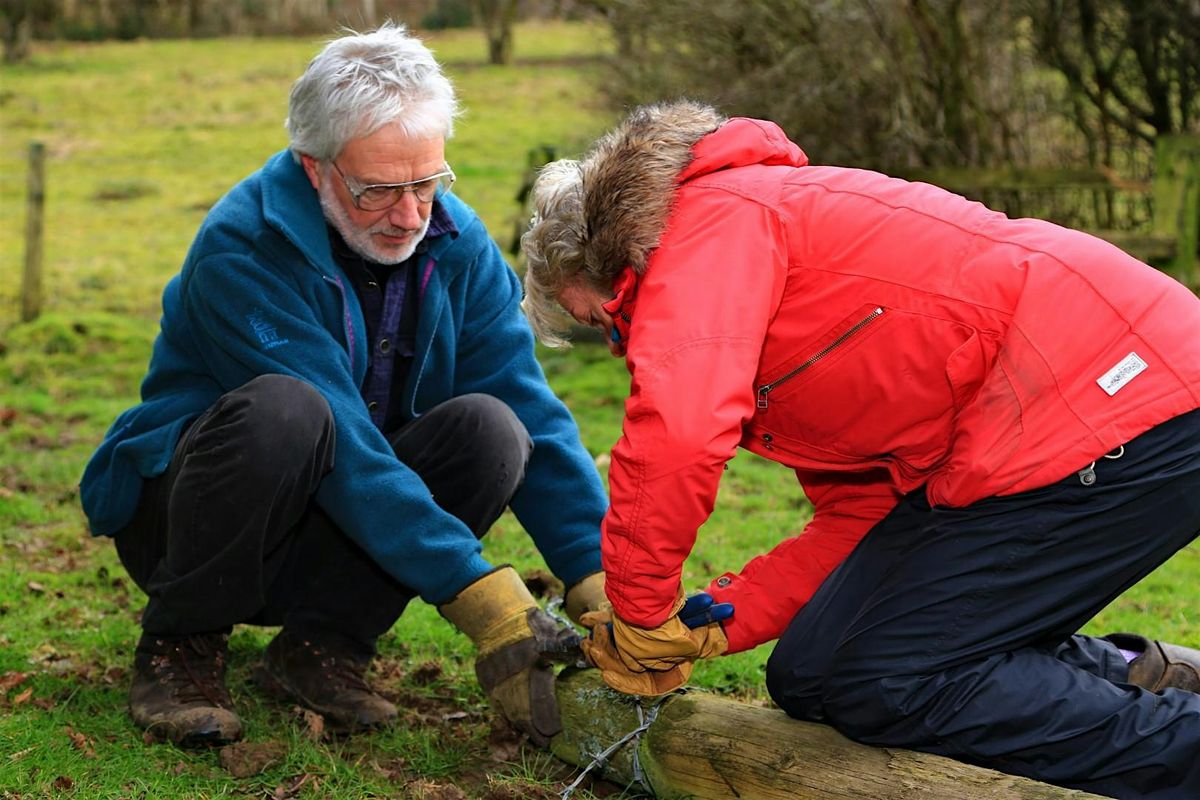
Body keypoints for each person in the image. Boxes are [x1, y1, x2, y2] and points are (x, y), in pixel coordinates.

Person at [521, 100, 1200, 798]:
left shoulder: (711, 224)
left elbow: (678, 434)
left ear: (613, 261)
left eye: (604, 318)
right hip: (1044, 428)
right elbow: (862, 514)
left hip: (1115, 401)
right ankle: (1143, 674)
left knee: (885, 679)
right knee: (810, 672)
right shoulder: (747, 279)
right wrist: (714, 627)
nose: (619, 342)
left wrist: (638, 613)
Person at [79, 23, 609, 749]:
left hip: (348, 535)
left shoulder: (455, 242)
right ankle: (179, 648)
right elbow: (347, 446)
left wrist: (600, 578)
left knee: (495, 429)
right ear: (312, 166)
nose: (411, 215)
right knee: (286, 411)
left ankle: (322, 648)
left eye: (428, 182)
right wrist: (486, 601)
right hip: (195, 526)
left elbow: (531, 411)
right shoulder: (243, 247)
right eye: (379, 191)